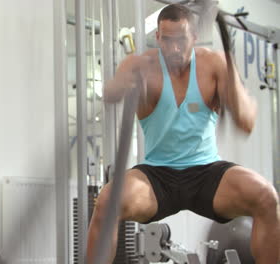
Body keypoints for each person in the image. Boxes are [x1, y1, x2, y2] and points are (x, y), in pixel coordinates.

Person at [86, 4, 280, 263]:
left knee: (266, 196)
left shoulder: (214, 65)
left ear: (194, 37)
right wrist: (125, 83)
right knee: (107, 202)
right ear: (157, 38)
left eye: (181, 40)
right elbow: (110, 93)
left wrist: (232, 81)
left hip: (207, 173)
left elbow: (246, 123)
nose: (175, 49)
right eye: (167, 40)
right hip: (156, 176)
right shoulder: (141, 65)